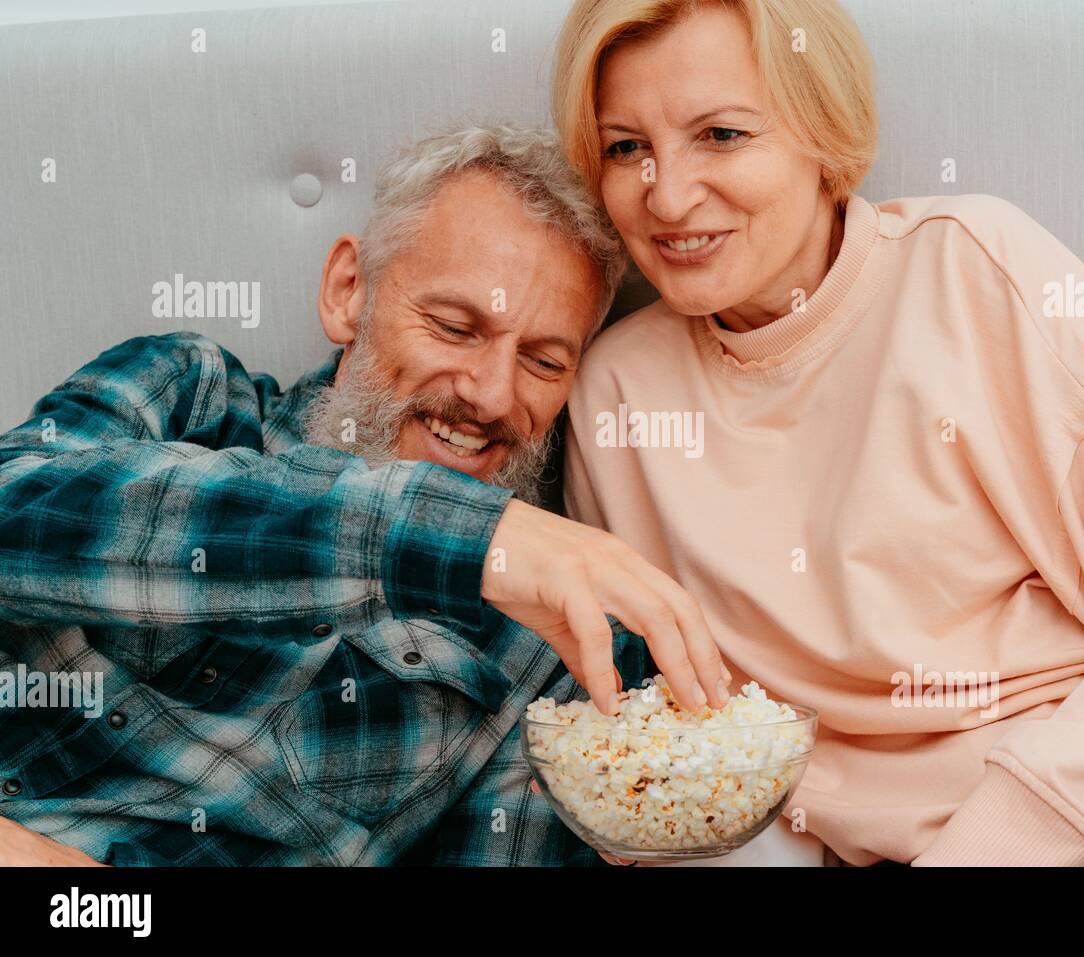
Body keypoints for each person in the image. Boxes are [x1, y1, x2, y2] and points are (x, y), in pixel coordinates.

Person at [552, 0, 1084, 866]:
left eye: (721, 134)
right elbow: (670, 733)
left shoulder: (974, 265)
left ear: (822, 133)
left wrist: (1002, 840)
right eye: (626, 147)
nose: (669, 195)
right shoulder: (615, 393)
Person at [0, 125, 728, 867]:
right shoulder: (188, 390)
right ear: (348, 291)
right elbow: (14, 515)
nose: (492, 392)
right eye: (454, 327)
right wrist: (466, 541)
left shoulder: (553, 658)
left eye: (543, 360)